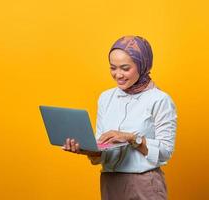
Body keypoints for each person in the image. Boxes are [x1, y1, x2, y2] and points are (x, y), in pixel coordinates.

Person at [62, 35, 177, 200]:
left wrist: (131, 138)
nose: (118, 75)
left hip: (144, 183)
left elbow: (165, 152)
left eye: (125, 68)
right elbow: (103, 148)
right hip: (110, 182)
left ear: (142, 65)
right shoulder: (105, 98)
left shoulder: (160, 100)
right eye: (112, 68)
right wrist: (87, 149)